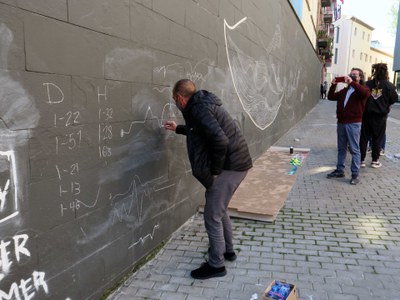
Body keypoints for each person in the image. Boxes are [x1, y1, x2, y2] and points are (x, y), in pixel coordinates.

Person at [164, 79, 253, 279]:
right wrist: (177, 128)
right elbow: (200, 131)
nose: (175, 103)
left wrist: (215, 170)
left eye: (174, 100)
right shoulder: (202, 105)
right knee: (219, 211)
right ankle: (228, 251)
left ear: (179, 98)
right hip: (237, 165)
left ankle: (216, 265)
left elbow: (220, 140)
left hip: (230, 168)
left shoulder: (198, 109)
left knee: (211, 216)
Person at [326, 68, 370, 185]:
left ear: (360, 78)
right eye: (351, 74)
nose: (352, 75)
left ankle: (355, 174)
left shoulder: (363, 90)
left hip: (353, 124)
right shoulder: (345, 91)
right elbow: (330, 96)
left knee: (355, 149)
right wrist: (333, 85)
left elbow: (365, 94)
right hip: (341, 123)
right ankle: (340, 170)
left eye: (355, 74)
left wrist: (352, 82)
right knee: (341, 148)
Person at [360, 63, 397, 168]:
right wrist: (386, 104)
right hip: (380, 117)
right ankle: (375, 160)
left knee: (364, 138)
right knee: (378, 138)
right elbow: (394, 99)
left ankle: (361, 160)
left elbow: (362, 96)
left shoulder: (367, 84)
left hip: (367, 115)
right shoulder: (389, 85)